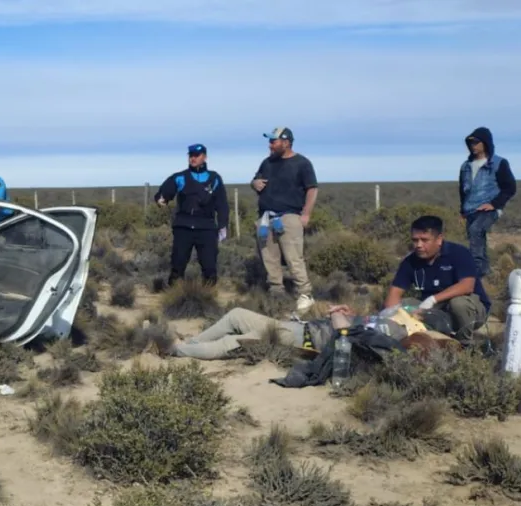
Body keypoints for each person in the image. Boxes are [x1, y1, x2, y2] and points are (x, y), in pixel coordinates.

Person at [383, 215, 490, 344]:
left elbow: (467, 285)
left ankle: (464, 345)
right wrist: (390, 315)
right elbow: (395, 293)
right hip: (435, 311)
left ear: (439, 239)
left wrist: (433, 299)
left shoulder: (459, 253)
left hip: (470, 310)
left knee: (458, 303)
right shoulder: (410, 262)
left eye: (424, 240)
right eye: (415, 240)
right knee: (404, 305)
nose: (419, 245)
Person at [168, 304, 409, 360]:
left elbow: (346, 335)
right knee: (236, 314)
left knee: (234, 341)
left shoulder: (394, 331)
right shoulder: (384, 319)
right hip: (299, 328)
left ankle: (176, 350)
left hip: (299, 341)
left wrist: (337, 315)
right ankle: (191, 342)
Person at [251, 127, 318, 314]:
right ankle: (276, 292)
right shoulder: (267, 163)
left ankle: (304, 294)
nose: (270, 145)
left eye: (274, 141)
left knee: (293, 257)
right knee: (269, 258)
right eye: (270, 141)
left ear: (286, 142)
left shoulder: (302, 163)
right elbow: (256, 180)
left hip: (289, 217)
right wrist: (254, 183)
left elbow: (312, 189)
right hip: (265, 218)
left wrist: (306, 214)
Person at [153, 143, 229, 286]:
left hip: (206, 227)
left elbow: (222, 204)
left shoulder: (214, 179)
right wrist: (161, 199)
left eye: (196, 155)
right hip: (183, 226)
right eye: (191, 156)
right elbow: (164, 192)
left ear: (204, 157)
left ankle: (209, 296)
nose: (193, 158)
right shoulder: (180, 177)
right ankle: (173, 294)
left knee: (209, 266)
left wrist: (223, 225)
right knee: (178, 263)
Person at [459, 127, 517, 277]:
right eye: (471, 143)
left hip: (489, 209)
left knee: (476, 231)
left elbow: (510, 187)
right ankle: (485, 273)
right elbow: (463, 190)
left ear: (485, 143)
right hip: (470, 209)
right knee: (477, 237)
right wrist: (462, 211)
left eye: (476, 142)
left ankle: (475, 271)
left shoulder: (498, 163)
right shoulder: (465, 167)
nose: (473, 146)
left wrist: (494, 204)